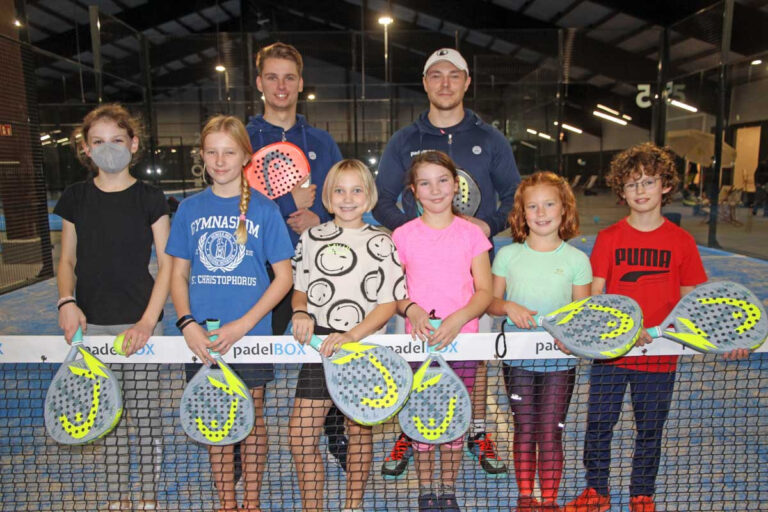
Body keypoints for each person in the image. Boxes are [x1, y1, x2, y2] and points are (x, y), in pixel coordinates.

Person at [564, 143, 749, 512]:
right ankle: (596, 491)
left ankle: (642, 494)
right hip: (612, 355)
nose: (641, 190)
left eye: (649, 181)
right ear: (621, 191)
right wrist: (623, 330)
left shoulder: (681, 242)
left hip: (659, 356)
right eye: (632, 184)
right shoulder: (610, 238)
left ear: (665, 185)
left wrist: (728, 339)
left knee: (650, 430)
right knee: (598, 426)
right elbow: (597, 297)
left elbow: (693, 306)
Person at [374, 47, 519, 479]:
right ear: (425, 83)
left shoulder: (491, 138)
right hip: (415, 278)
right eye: (435, 76)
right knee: (411, 360)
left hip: (472, 270)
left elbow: (513, 199)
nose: (444, 83)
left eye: (453, 75)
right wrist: (424, 232)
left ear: (466, 81)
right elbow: (381, 201)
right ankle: (410, 428)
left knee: (472, 362)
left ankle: (473, 429)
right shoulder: (403, 140)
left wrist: (483, 227)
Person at [167, 115, 294, 512]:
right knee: (216, 426)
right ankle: (226, 504)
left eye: (229, 152)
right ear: (202, 156)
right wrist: (187, 323)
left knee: (253, 423)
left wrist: (244, 325)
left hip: (250, 338)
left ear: (245, 157)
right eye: (212, 152)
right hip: (202, 340)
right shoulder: (189, 209)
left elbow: (284, 278)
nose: (219, 161)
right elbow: (178, 273)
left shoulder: (265, 209)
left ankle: (251, 504)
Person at [54, 103, 171, 510]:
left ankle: (148, 497)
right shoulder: (75, 198)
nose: (108, 149)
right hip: (90, 327)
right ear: (85, 149)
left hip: (139, 327)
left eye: (117, 140)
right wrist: (67, 302)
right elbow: (66, 260)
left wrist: (147, 320)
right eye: (98, 142)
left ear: (133, 144)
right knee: (108, 417)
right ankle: (119, 497)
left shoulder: (151, 198)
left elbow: (167, 264)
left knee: (145, 419)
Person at [245, 42, 348, 470]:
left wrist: (317, 214)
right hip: (258, 276)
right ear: (259, 83)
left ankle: (335, 432)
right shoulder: (242, 139)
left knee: (327, 360)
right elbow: (236, 201)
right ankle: (241, 444)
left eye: (289, 77)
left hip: (318, 276)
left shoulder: (322, 141)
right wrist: (289, 205)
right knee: (252, 371)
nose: (281, 85)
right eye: (272, 77)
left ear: (301, 84)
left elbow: (346, 202)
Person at [289, 159, 406, 512]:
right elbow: (300, 289)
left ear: (369, 196)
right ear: (327, 197)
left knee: (359, 432)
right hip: (321, 348)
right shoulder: (311, 237)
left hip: (364, 348)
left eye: (356, 190)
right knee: (299, 436)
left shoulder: (383, 240)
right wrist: (299, 311)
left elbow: (388, 304)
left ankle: (351, 506)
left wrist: (352, 335)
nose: (348, 198)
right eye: (339, 190)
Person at [392, 151, 493, 512]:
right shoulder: (401, 237)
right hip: (419, 349)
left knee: (454, 423)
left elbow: (484, 292)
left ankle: (447, 489)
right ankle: (424, 492)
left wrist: (458, 318)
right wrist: (412, 308)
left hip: (461, 345)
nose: (435, 189)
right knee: (420, 423)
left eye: (443, 180)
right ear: (414, 191)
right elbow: (394, 294)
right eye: (425, 183)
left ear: (456, 185)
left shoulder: (472, 235)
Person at [487, 172, 592, 511]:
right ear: (521, 213)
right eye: (532, 206)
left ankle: (548, 500)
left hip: (560, 362)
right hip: (517, 360)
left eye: (549, 204)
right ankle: (525, 497)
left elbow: (581, 313)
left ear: (564, 210)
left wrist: (570, 336)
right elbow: (491, 302)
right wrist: (508, 307)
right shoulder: (507, 256)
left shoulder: (577, 261)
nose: (541, 212)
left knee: (550, 431)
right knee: (524, 428)